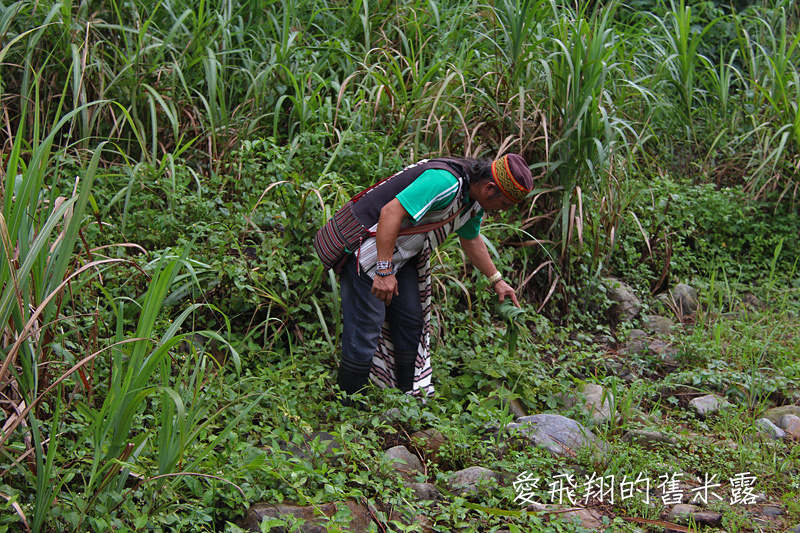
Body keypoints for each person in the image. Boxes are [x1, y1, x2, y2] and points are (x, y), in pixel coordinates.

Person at [337, 154, 534, 402]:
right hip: (368, 252)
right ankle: (348, 402)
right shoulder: (444, 182)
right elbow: (390, 212)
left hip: (401, 256)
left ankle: (406, 398)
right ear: (489, 188)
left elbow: (471, 239)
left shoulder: (472, 201)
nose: (502, 211)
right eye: (504, 204)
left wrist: (497, 280)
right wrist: (384, 271)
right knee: (366, 327)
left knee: (411, 321)